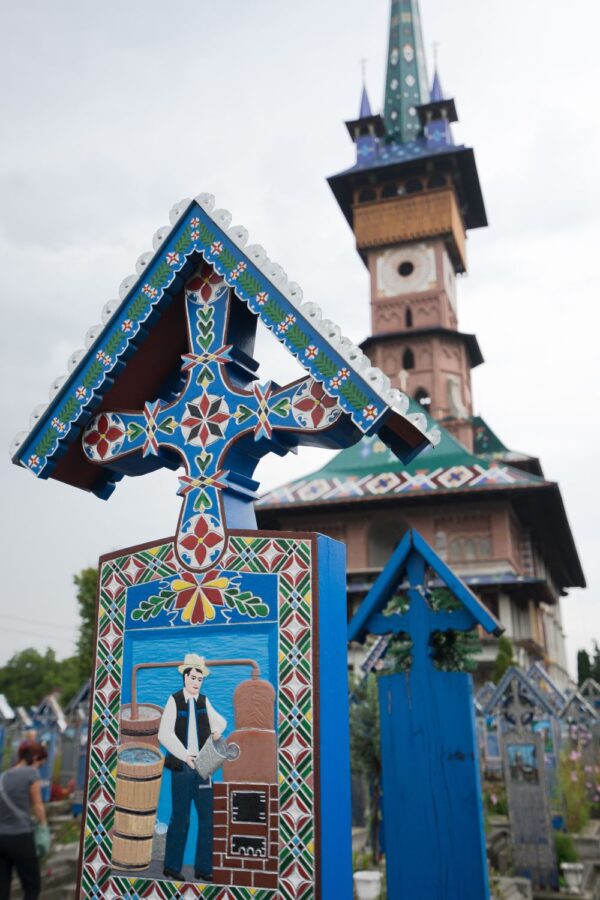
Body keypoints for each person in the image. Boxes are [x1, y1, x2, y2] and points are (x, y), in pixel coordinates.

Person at [158, 653, 226, 883]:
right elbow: (164, 734)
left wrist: (217, 730)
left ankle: (204, 868)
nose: (196, 682)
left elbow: (221, 721)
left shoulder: (203, 701)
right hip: (181, 767)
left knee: (208, 816)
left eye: (200, 679)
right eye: (193, 677)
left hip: (203, 765)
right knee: (181, 817)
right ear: (185, 677)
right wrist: (185, 755)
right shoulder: (174, 700)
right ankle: (172, 866)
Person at [0, 741, 49, 900]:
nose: (39, 769)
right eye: (40, 764)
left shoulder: (3, 776)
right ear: (35, 757)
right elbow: (37, 805)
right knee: (32, 886)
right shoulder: (31, 773)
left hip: (1, 838)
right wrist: (43, 826)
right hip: (21, 837)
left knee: (2, 888)